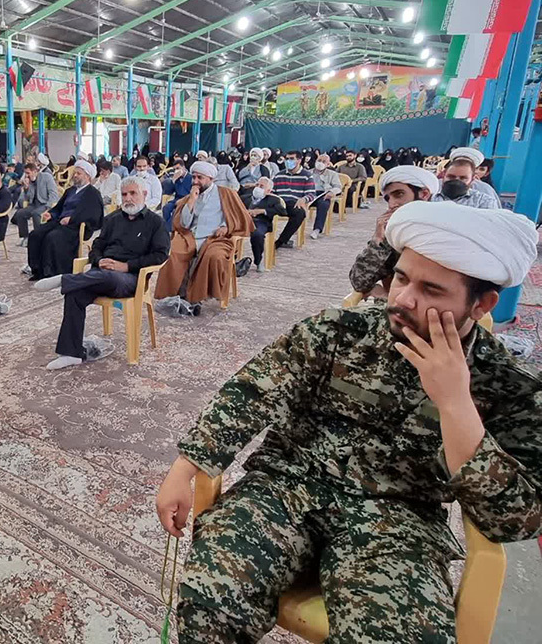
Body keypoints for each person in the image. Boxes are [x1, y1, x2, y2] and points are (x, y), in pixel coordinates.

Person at [155, 200, 542, 644]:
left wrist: (456, 405)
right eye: (401, 278)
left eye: (432, 291)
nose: (403, 299)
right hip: (285, 487)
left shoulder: (508, 386)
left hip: (399, 519)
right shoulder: (339, 330)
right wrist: (184, 468)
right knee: (210, 601)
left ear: (482, 304)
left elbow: (511, 520)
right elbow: (252, 392)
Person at [38, 176, 170, 370]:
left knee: (108, 276)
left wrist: (126, 266)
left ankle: (66, 279)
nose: (128, 198)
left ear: (144, 194)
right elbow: (97, 246)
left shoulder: (156, 222)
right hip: (100, 273)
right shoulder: (112, 219)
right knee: (74, 293)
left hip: (131, 278)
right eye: (124, 194)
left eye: (133, 193)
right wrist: (99, 260)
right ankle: (71, 354)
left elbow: (160, 256)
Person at [154, 162, 253, 306]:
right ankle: (173, 295)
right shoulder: (191, 196)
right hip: (190, 237)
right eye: (194, 177)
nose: (195, 181)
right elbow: (184, 224)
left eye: (200, 178)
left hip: (216, 238)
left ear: (211, 178)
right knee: (172, 253)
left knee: (214, 257)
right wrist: (192, 200)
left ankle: (198, 296)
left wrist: (226, 228)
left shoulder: (226, 194)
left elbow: (240, 217)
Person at [349, 165, 439, 299]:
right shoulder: (395, 235)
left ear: (424, 194)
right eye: (388, 198)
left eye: (399, 194)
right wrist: (378, 239)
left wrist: (385, 295)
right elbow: (359, 282)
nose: (392, 204)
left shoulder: (443, 233)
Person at [26, 160, 103, 281]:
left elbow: (93, 215)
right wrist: (51, 214)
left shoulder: (93, 193)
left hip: (75, 227)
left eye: (78, 173)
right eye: (75, 173)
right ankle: (38, 270)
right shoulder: (70, 190)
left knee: (52, 237)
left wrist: (72, 219)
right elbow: (59, 208)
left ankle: (51, 272)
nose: (75, 175)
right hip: (59, 222)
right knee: (35, 234)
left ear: (87, 176)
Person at [272, 151, 317, 249]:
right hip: (279, 203)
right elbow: (272, 191)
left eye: (292, 159)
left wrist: (304, 199)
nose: (288, 161)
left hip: (294, 204)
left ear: (299, 160)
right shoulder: (279, 175)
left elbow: (311, 194)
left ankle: (280, 241)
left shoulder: (307, 175)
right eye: (287, 159)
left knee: (300, 213)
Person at [241, 176, 286, 273]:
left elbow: (283, 212)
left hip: (261, 221)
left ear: (268, 191)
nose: (258, 188)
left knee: (257, 234)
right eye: (257, 185)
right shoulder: (245, 198)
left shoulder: (273, 200)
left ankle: (258, 261)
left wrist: (262, 211)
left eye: (261, 186)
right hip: (244, 221)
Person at [13, 161, 59, 247]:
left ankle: (39, 237)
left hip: (45, 204)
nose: (26, 175)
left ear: (34, 171)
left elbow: (54, 194)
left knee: (36, 213)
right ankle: (25, 237)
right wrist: (26, 188)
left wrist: (49, 207)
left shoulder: (46, 177)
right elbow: (26, 198)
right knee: (20, 213)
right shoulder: (29, 181)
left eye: (28, 173)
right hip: (34, 204)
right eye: (25, 173)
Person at [308, 153, 341, 239]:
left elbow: (338, 187)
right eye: (319, 160)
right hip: (309, 194)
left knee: (323, 204)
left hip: (323, 194)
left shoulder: (332, 174)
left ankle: (317, 229)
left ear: (328, 164)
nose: (320, 163)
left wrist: (332, 192)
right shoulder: (308, 172)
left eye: (324, 161)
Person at [162, 160, 192, 227]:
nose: (176, 171)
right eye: (175, 169)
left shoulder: (191, 178)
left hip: (187, 200)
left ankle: (170, 228)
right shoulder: (176, 178)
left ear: (183, 167)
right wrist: (173, 180)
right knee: (166, 208)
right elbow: (169, 191)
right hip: (176, 199)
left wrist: (183, 200)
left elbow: (192, 193)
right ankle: (166, 227)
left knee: (175, 212)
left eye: (178, 168)